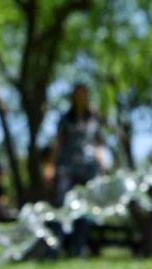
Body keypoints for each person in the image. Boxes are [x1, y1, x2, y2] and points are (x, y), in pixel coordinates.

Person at [54, 83, 105, 257]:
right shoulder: (66, 118)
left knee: (85, 208)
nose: (81, 97)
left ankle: (78, 248)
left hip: (88, 168)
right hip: (67, 166)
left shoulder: (94, 119)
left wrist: (101, 161)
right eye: (78, 94)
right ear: (73, 97)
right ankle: (56, 246)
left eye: (84, 94)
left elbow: (99, 144)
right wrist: (51, 166)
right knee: (63, 204)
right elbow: (58, 143)